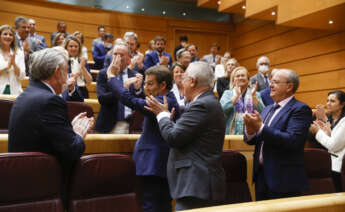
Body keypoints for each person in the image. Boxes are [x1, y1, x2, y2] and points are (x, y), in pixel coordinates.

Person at [8, 47, 94, 207]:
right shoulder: (50, 101)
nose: (67, 78)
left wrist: (70, 129)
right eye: (66, 72)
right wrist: (78, 134)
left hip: (24, 185)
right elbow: (73, 149)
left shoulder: (26, 95)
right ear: (57, 72)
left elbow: (49, 136)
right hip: (43, 188)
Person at [145, 61, 226, 211]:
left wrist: (161, 115)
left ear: (193, 82)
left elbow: (173, 137)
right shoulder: (207, 102)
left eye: (184, 78)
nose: (181, 82)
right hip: (197, 185)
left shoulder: (202, 105)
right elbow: (185, 134)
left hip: (197, 186)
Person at [107, 64, 180, 212]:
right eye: (145, 83)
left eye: (150, 83)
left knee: (151, 206)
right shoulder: (169, 99)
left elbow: (129, 100)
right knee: (162, 204)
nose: (146, 87)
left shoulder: (161, 102)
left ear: (163, 84)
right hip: (162, 164)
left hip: (153, 164)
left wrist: (112, 77)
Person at [243, 68, 312, 201]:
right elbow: (255, 139)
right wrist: (250, 131)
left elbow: (292, 140)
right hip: (261, 176)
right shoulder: (267, 109)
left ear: (289, 87)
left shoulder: (300, 109)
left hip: (284, 180)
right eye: (270, 81)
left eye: (275, 82)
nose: (270, 85)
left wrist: (260, 127)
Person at [95, 41, 137, 133]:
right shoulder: (103, 74)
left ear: (129, 57)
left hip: (132, 125)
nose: (117, 58)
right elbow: (102, 98)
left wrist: (138, 90)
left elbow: (139, 99)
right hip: (110, 124)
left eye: (121, 55)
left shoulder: (135, 75)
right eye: (115, 54)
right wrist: (122, 90)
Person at [309, 90, 345, 192]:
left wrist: (318, 132)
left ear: (342, 104)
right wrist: (324, 121)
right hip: (325, 164)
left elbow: (333, 145)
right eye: (327, 100)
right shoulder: (327, 117)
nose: (328, 103)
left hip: (338, 167)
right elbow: (326, 135)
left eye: (332, 101)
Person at [220, 66, 264, 135]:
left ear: (248, 79)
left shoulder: (256, 94)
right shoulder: (227, 93)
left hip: (252, 133)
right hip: (231, 133)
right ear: (233, 80)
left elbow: (263, 112)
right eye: (237, 76)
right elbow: (221, 111)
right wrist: (236, 97)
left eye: (243, 75)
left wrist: (254, 97)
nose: (240, 77)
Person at [0, 25, 25, 95]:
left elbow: (22, 76)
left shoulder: (19, 53)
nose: (8, 36)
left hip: (15, 91)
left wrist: (14, 64)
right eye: (5, 34)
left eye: (11, 35)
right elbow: (7, 67)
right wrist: (6, 67)